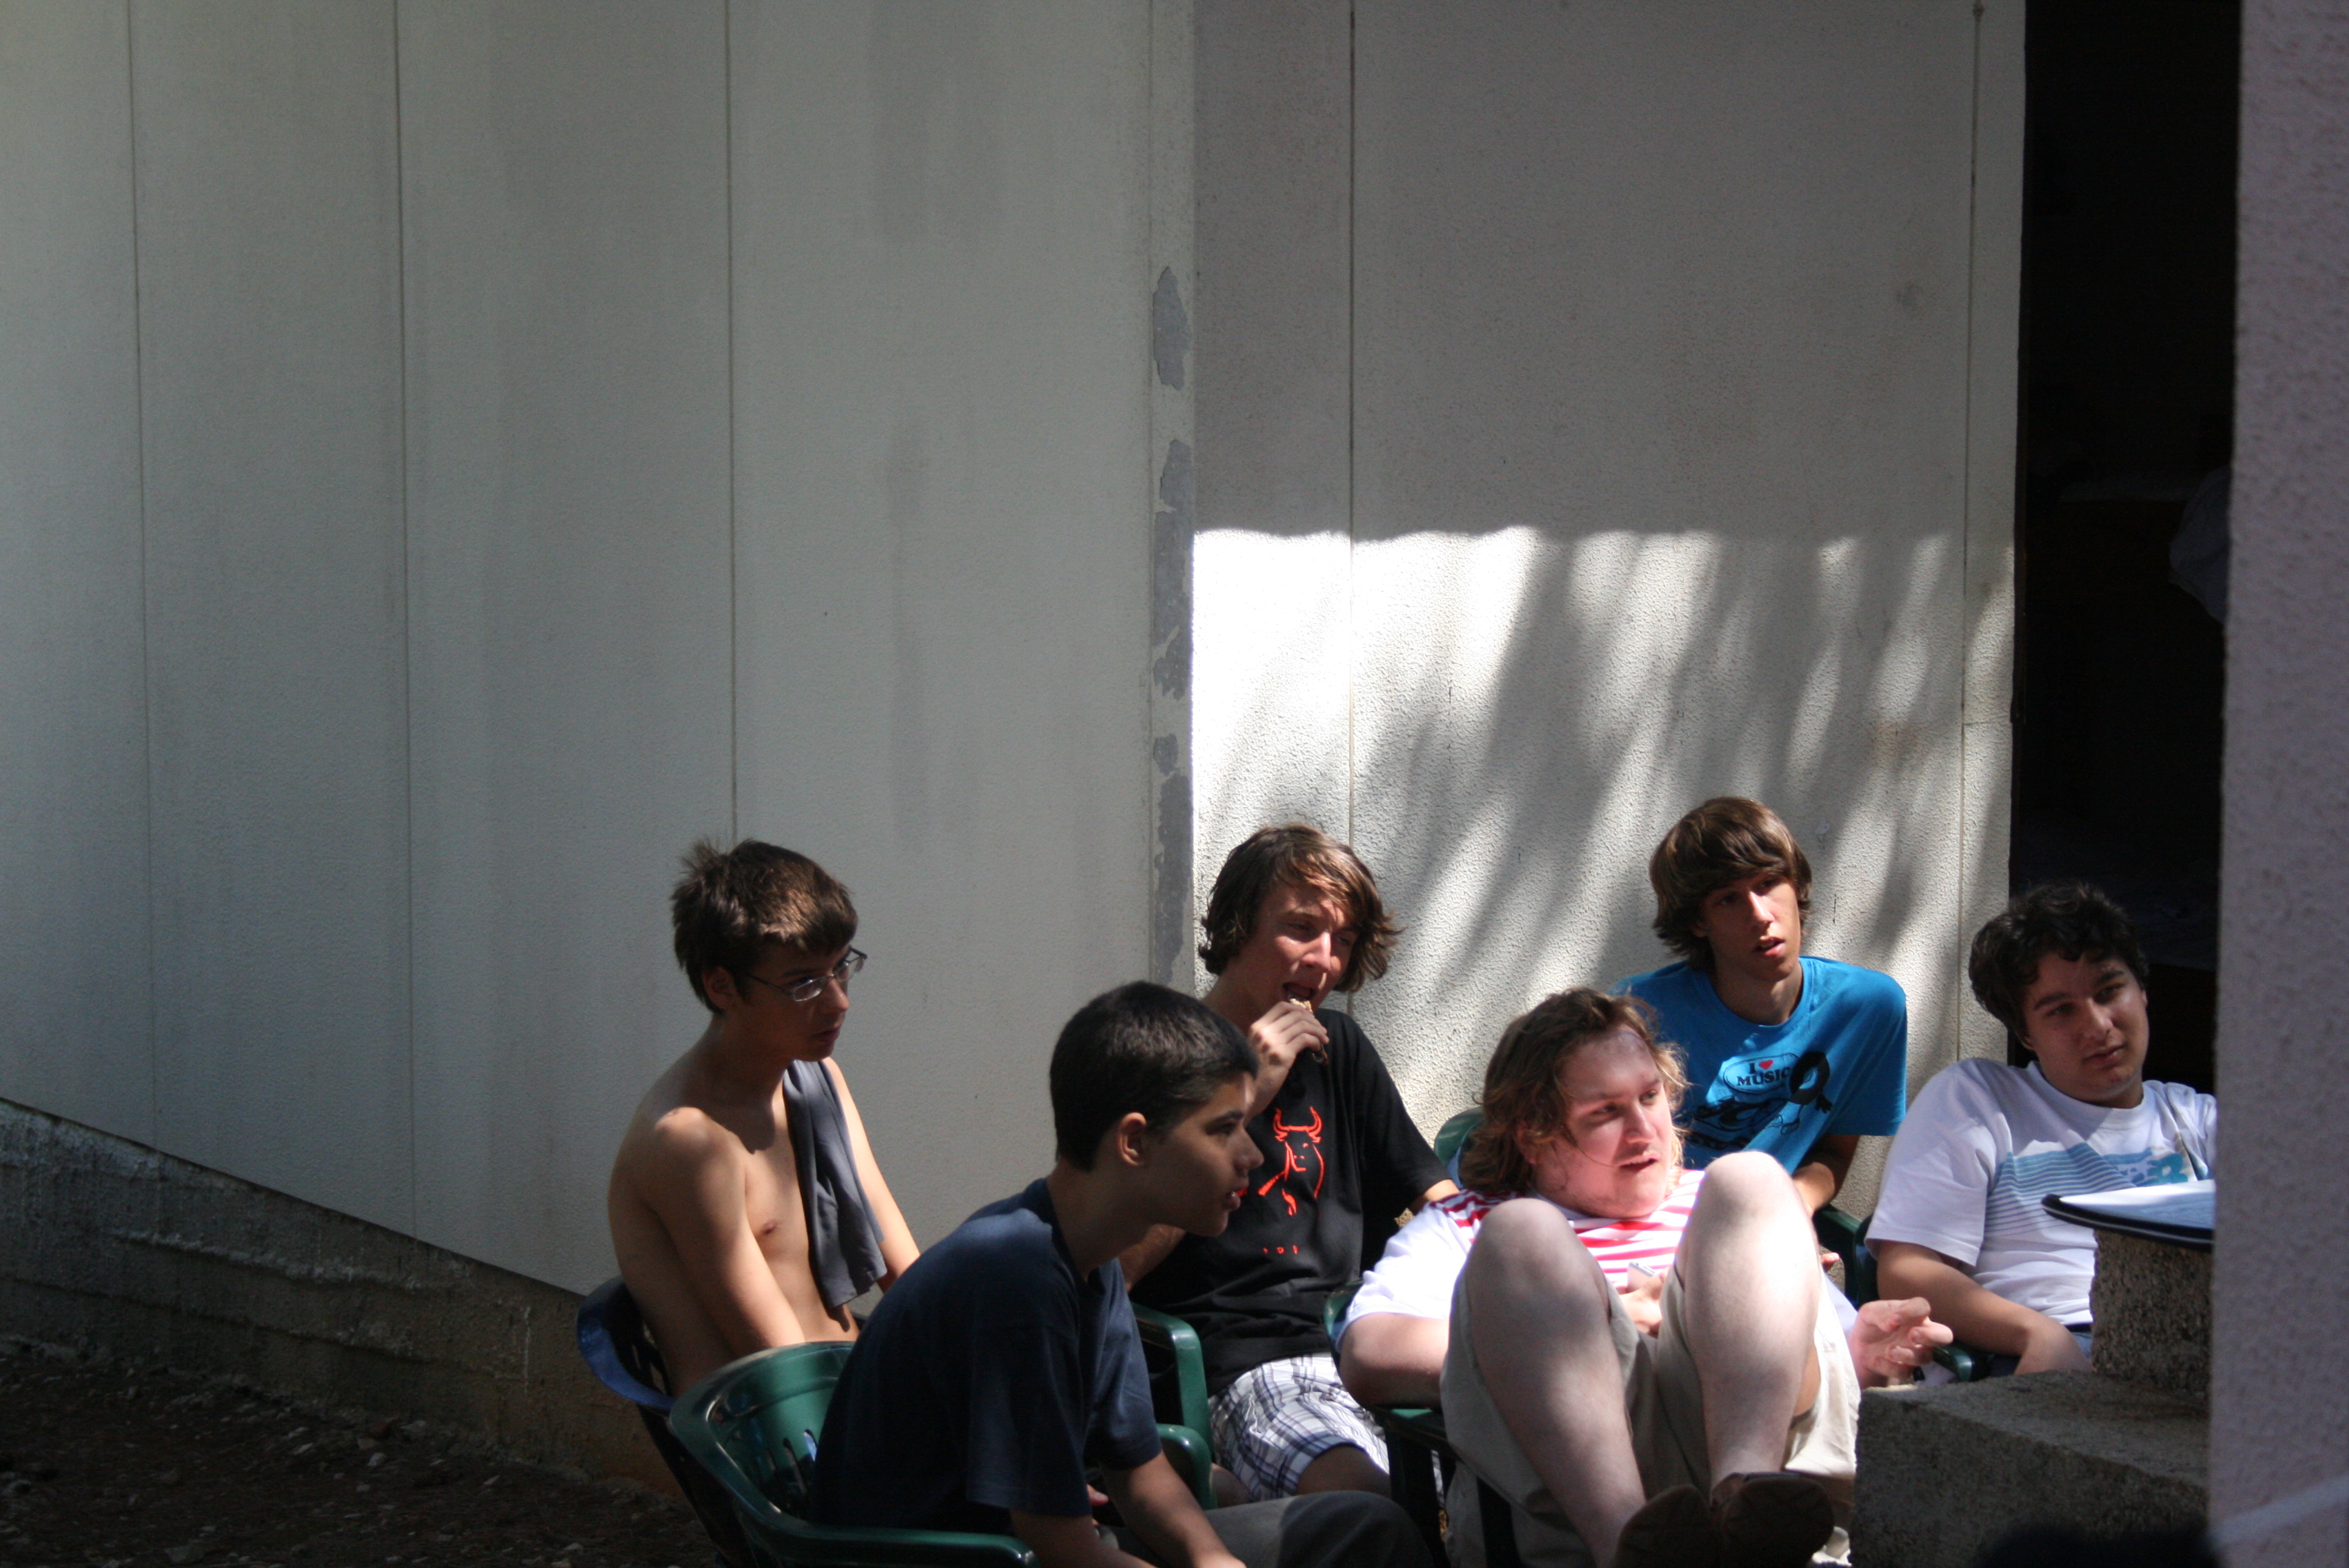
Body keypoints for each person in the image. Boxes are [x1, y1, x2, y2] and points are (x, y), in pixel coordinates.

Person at [812, 983, 1431, 1568]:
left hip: (1045, 1546)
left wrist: (1210, 1557)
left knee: (1368, 1526)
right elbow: (1062, 1547)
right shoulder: (1017, 1281)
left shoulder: (1095, 1260)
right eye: (1225, 1129)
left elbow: (1138, 1470)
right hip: (967, 1555)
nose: (1252, 1154)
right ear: (1134, 1142)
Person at [1335, 989, 1947, 1568]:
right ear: (1533, 1136)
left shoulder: (1729, 1206)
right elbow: (1369, 1354)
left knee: (1755, 1176)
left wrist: (1865, 1352)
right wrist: (1587, 1331)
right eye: (1605, 1112)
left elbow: (1807, 1369)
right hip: (1581, 1492)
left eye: (1650, 1097)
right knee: (1524, 1233)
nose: (1643, 1129)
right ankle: (1631, 1543)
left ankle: (1747, 1496)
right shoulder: (1474, 1223)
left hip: (1760, 1452)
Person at [1124, 826, 1453, 1501]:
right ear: (1238, 926)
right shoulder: (1160, 1058)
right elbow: (1117, 1261)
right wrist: (1244, 1096)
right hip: (1246, 1361)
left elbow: (1434, 1194)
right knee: (1362, 1498)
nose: (1324, 960)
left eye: (1344, 940)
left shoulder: (1340, 1046)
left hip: (1364, 1342)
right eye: (1302, 928)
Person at [606, 840, 919, 1393]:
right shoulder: (688, 1140)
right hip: (774, 1423)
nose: (838, 1001)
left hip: (847, 1383)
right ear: (722, 986)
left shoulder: (816, 1081)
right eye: (804, 983)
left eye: (841, 968)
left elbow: (906, 1273)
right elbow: (780, 1365)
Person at [1870, 883, 2218, 1375]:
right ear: (2026, 1034)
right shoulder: (1978, 1099)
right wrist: (2036, 1332)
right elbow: (1907, 1270)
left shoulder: (2196, 1119)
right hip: (2048, 1346)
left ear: (2142, 991)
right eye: (2060, 1010)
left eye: (2108, 991)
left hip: (2197, 1344)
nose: (2097, 1025)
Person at [1616, 798, 1908, 1214]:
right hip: (1661, 1221)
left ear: (1796, 884)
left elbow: (1832, 1153)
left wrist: (1788, 1209)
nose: (1759, 914)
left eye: (1768, 883)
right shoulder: (1639, 1017)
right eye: (1728, 900)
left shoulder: (1867, 1008)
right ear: (1698, 922)